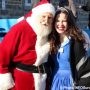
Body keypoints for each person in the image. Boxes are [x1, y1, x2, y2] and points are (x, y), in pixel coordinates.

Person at [0, 0, 55, 90]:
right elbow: (3, 52)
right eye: (43, 16)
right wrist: (4, 75)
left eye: (50, 17)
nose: (46, 21)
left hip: (43, 80)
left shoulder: (50, 31)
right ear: (37, 15)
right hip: (21, 80)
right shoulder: (21, 28)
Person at [48, 7, 90, 90]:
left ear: (69, 22)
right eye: (57, 20)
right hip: (54, 80)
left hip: (70, 82)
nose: (60, 24)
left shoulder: (76, 42)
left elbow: (85, 68)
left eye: (64, 21)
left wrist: (80, 87)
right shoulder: (52, 41)